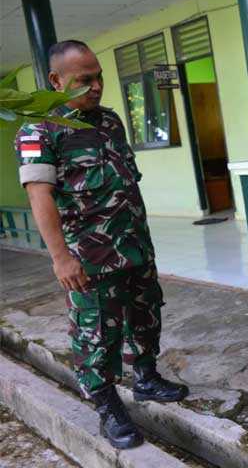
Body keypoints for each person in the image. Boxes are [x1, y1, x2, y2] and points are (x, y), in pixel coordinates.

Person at [14, 40, 188, 450]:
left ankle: (145, 377)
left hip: (134, 245)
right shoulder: (38, 130)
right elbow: (39, 197)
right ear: (57, 81)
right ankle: (107, 403)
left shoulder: (110, 121)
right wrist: (61, 258)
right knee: (96, 333)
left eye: (99, 77)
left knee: (146, 314)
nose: (96, 86)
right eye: (84, 80)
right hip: (89, 258)